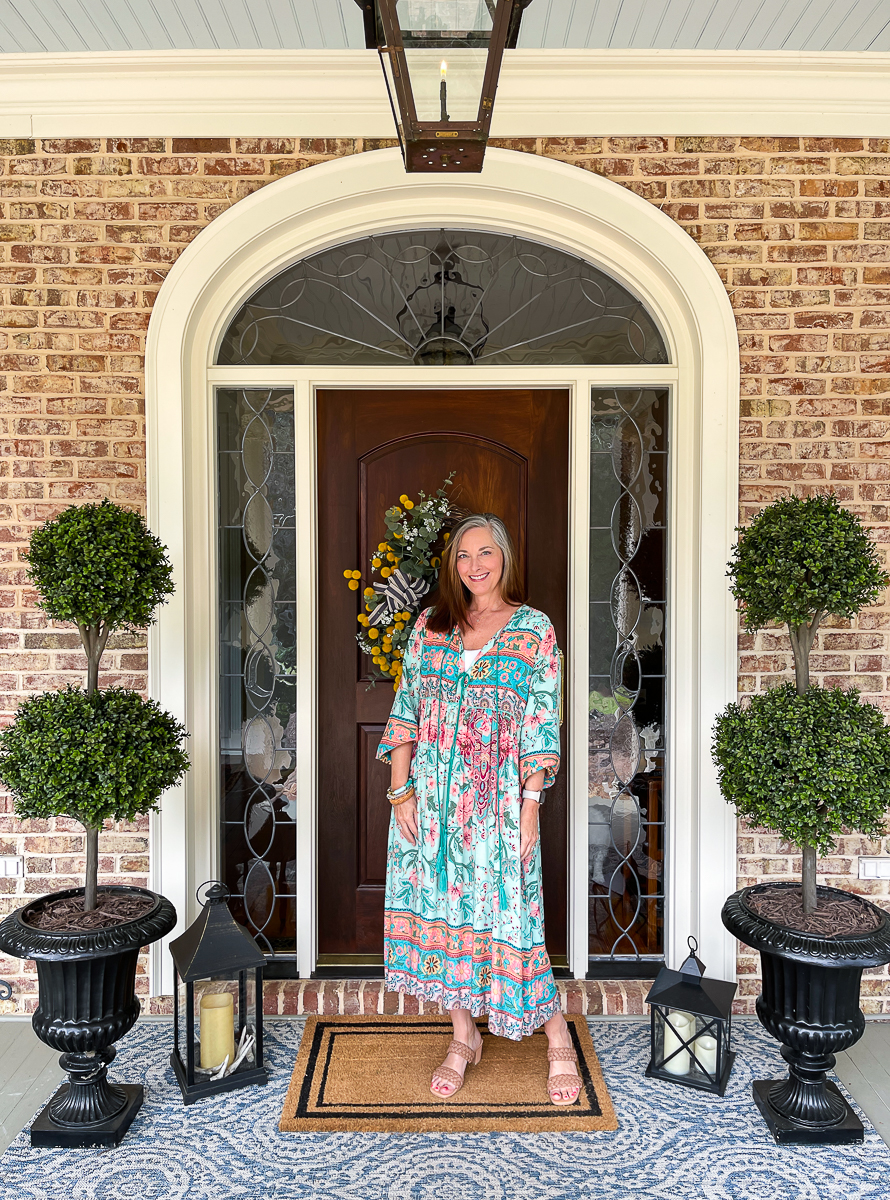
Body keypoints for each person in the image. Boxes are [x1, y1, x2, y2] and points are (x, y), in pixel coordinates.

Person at [376, 513, 582, 1105]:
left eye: (485, 552)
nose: (474, 566)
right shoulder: (430, 627)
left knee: (512, 914)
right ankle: (463, 1034)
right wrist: (400, 791)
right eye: (463, 556)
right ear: (452, 565)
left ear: (505, 556)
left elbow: (543, 723)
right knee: (443, 910)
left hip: (496, 803)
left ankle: (556, 1036)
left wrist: (532, 801)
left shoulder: (533, 630)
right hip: (429, 803)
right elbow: (405, 711)